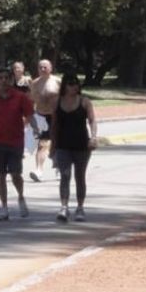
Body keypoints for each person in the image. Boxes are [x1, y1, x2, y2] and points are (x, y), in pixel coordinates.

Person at [0, 67, 38, 221]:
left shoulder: (20, 97)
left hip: (16, 142)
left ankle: (21, 196)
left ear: (11, 80)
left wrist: (36, 128)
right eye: (0, 78)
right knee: (0, 175)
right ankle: (4, 207)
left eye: (6, 78)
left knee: (15, 174)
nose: (4, 81)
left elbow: (30, 115)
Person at [49, 73, 98, 221]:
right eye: (70, 83)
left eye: (76, 83)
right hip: (63, 145)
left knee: (79, 176)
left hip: (81, 145)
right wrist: (53, 146)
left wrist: (93, 137)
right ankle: (64, 207)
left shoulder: (84, 101)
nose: (74, 86)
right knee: (65, 176)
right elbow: (54, 125)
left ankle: (80, 207)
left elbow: (92, 120)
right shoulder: (57, 102)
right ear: (64, 85)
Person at [29, 59, 60, 181]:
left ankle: (59, 167)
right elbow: (31, 101)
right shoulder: (35, 83)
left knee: (57, 144)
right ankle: (39, 170)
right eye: (40, 67)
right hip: (41, 116)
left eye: (45, 67)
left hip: (56, 116)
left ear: (50, 68)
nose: (42, 69)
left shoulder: (57, 81)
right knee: (42, 145)